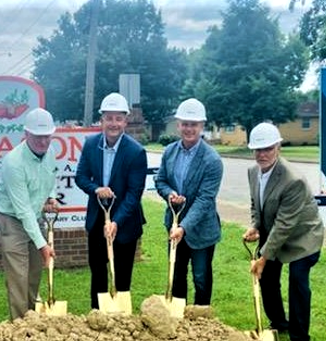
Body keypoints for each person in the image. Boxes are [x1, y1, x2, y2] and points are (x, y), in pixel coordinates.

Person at [243, 122, 324, 341]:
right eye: (258, 149)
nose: (262, 154)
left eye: (268, 148)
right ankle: (279, 323)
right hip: (276, 233)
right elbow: (256, 204)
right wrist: (256, 226)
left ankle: (300, 338)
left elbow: (285, 224)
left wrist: (264, 257)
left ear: (278, 147)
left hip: (303, 236)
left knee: (298, 280)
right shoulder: (252, 172)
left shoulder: (293, 180)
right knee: (267, 279)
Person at [75, 93, 148, 309]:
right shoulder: (90, 145)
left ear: (125, 121)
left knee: (122, 277)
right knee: (98, 273)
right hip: (98, 221)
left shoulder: (136, 152)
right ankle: (97, 317)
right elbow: (80, 177)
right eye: (109, 118)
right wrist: (96, 189)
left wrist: (115, 221)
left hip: (125, 224)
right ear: (102, 120)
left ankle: (121, 321)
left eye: (118, 118)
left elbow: (134, 194)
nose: (113, 124)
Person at [154, 98, 223, 306]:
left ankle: (201, 321)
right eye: (185, 124)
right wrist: (169, 195)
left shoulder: (212, 160)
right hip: (174, 225)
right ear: (178, 125)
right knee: (176, 273)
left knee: (201, 278)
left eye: (194, 124)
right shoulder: (169, 152)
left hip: (201, 229)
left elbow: (205, 200)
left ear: (202, 126)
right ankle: (178, 316)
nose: (189, 129)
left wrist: (184, 227)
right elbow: (161, 180)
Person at [0, 107, 59, 320]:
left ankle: (30, 315)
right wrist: (43, 245)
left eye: (47, 136)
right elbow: (22, 210)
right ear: (26, 134)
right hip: (11, 220)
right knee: (18, 275)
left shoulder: (49, 154)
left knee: (34, 273)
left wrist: (51, 195)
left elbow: (49, 179)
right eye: (38, 137)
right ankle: (19, 326)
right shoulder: (13, 162)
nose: (43, 142)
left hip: (35, 217)